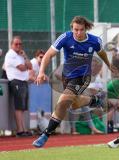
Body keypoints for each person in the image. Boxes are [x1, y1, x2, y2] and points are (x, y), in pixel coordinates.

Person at [32, 16, 112, 148]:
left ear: (86, 29)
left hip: (83, 77)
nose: (78, 33)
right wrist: (41, 72)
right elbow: (48, 55)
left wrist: (109, 65)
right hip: (67, 77)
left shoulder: (94, 41)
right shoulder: (65, 37)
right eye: (76, 30)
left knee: (63, 102)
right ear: (72, 28)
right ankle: (96, 100)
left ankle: (45, 134)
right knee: (74, 105)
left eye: (81, 30)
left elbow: (102, 53)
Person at [4, 36, 33, 137]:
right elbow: (22, 68)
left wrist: (25, 56)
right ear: (11, 45)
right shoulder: (10, 55)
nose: (18, 46)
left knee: (23, 107)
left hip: (23, 82)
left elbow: (30, 66)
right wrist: (26, 66)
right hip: (16, 82)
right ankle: (20, 130)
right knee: (19, 107)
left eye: (20, 44)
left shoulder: (20, 55)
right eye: (16, 44)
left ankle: (24, 129)